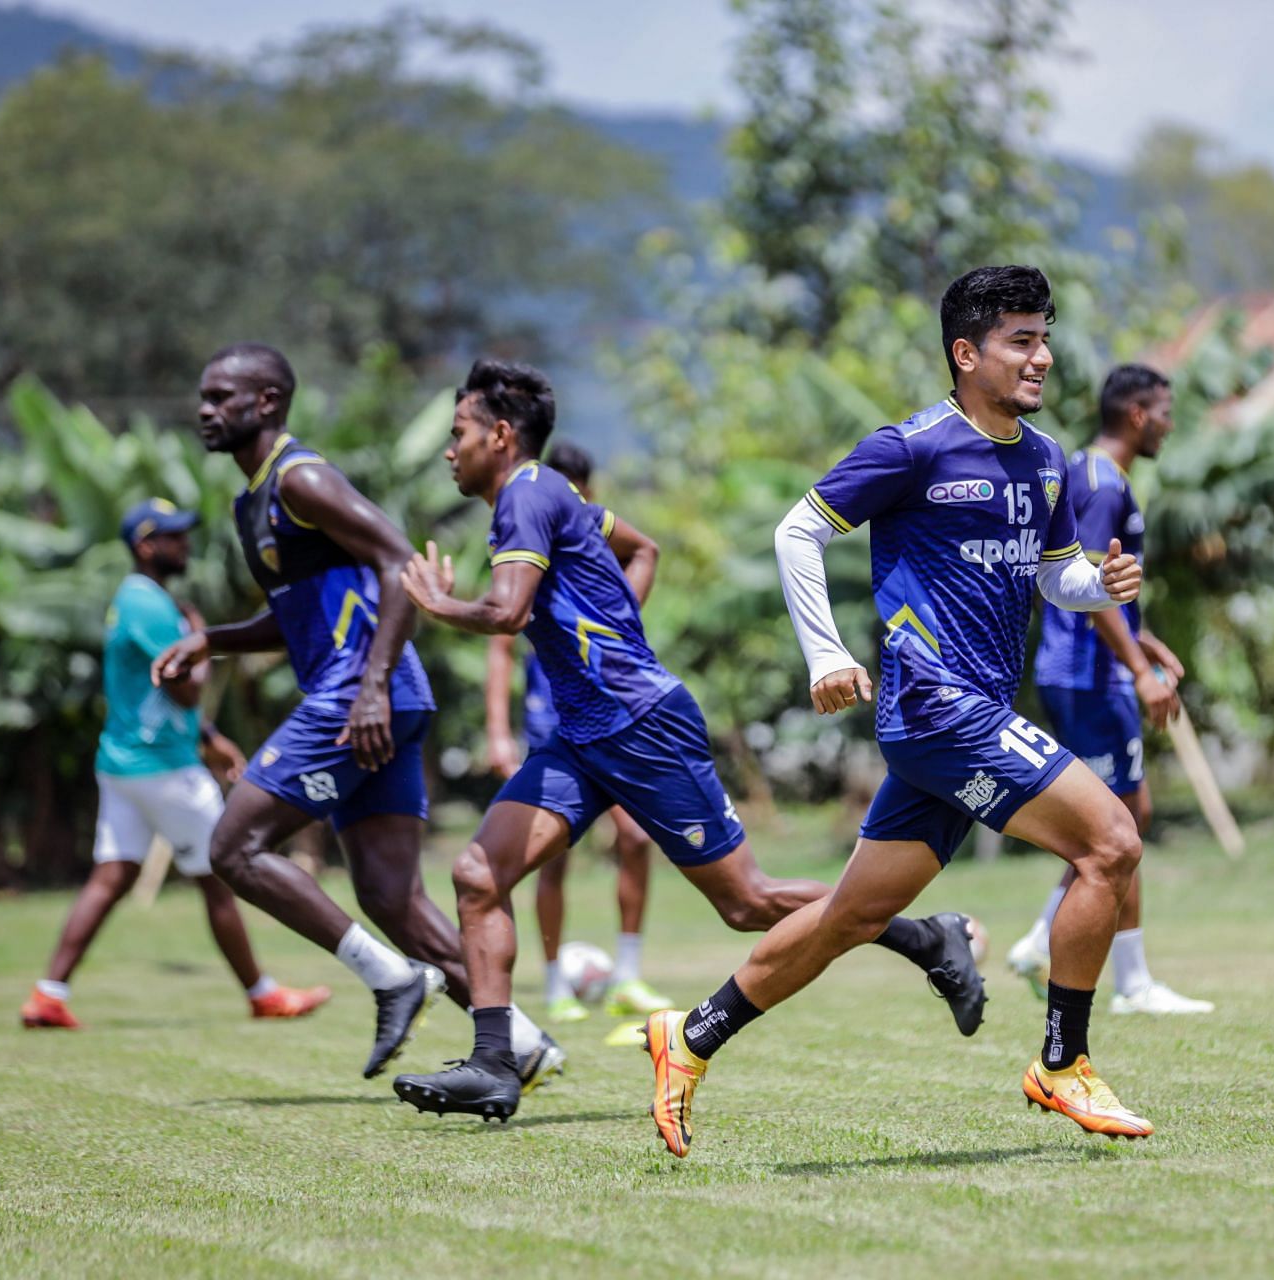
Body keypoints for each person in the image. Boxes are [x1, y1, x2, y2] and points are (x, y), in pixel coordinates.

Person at [641, 265, 1155, 1159]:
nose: (1041, 357)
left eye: (1044, 337)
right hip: (936, 710)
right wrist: (828, 653)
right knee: (1110, 842)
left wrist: (1096, 583)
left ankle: (687, 1039)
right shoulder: (912, 446)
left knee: (848, 915)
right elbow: (796, 530)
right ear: (966, 354)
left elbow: (1053, 576)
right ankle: (1062, 1061)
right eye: (1020, 340)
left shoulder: (1044, 461)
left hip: (971, 716)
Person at [391, 358, 982, 1121]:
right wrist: (611, 629)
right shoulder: (559, 495)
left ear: (500, 437)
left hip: (640, 725)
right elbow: (644, 551)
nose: (450, 450)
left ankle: (927, 936)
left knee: (747, 901)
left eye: (460, 433)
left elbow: (505, 613)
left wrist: (442, 604)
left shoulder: (525, 496)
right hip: (583, 734)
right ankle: (495, 1063)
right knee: (477, 876)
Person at [152, 343, 561, 1089]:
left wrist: (370, 686)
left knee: (233, 847)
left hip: (359, 694)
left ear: (269, 402)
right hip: (380, 693)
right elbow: (293, 619)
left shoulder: (300, 479)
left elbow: (398, 562)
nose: (206, 410)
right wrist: (212, 640)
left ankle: (391, 979)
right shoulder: (254, 500)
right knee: (388, 896)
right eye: (204, 398)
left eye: (223, 397)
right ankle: (524, 1043)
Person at [21, 500, 332, 1029]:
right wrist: (201, 635)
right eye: (173, 537)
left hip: (124, 762)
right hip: (163, 769)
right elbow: (185, 690)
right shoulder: (147, 604)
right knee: (222, 874)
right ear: (147, 546)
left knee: (112, 876)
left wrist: (210, 737)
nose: (184, 544)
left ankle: (48, 995)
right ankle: (262, 994)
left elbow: (157, 688)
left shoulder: (138, 600)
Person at [1010, 363, 1214, 1016]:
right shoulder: (1100, 482)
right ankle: (1124, 980)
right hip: (1089, 674)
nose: (1169, 423)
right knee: (1116, 826)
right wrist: (1138, 671)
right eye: (1163, 411)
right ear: (1135, 413)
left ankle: (1048, 942)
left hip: (1087, 669)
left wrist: (1144, 638)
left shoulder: (1093, 473)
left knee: (1128, 817)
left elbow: (1106, 589)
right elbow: (1089, 591)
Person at [483, 440, 670, 1022]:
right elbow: (500, 650)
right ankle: (557, 983)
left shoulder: (596, 552)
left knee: (637, 840)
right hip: (554, 725)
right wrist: (497, 731)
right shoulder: (522, 551)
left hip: (613, 718)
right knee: (553, 857)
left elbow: (640, 572)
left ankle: (628, 977)